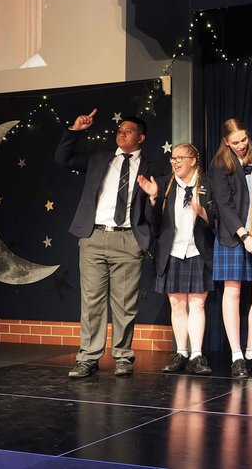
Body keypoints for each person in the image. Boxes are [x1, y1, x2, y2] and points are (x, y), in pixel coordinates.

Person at [54, 109, 161, 379]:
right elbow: (62, 159)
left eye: (128, 131)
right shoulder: (99, 158)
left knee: (125, 304)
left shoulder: (152, 167)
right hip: (94, 236)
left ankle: (123, 356)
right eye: (119, 130)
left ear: (141, 137)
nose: (121, 134)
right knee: (92, 301)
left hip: (128, 239)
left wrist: (152, 200)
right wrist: (75, 131)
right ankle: (88, 358)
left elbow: (156, 212)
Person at [209, 118, 252, 379]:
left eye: (244, 140)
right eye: (235, 142)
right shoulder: (219, 165)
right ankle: (236, 355)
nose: (241, 145)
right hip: (234, 236)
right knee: (233, 291)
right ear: (226, 142)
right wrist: (244, 235)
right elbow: (224, 206)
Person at [138, 143, 215, 376]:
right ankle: (181, 353)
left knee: (198, 304)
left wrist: (203, 213)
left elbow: (219, 219)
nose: (175, 162)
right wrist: (153, 198)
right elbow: (153, 222)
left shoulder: (208, 184)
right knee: (177, 304)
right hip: (172, 251)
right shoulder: (164, 184)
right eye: (173, 158)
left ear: (193, 160)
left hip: (198, 251)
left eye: (181, 158)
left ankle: (197, 355)